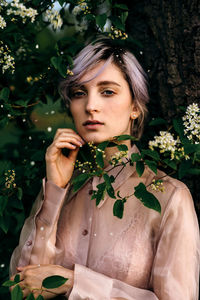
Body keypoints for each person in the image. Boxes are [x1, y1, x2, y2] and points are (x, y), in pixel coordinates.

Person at [10, 38, 200, 300]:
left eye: (107, 91)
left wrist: (76, 282)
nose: (90, 106)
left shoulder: (169, 197)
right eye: (79, 93)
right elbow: (22, 288)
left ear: (135, 106)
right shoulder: (60, 187)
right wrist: (54, 190)